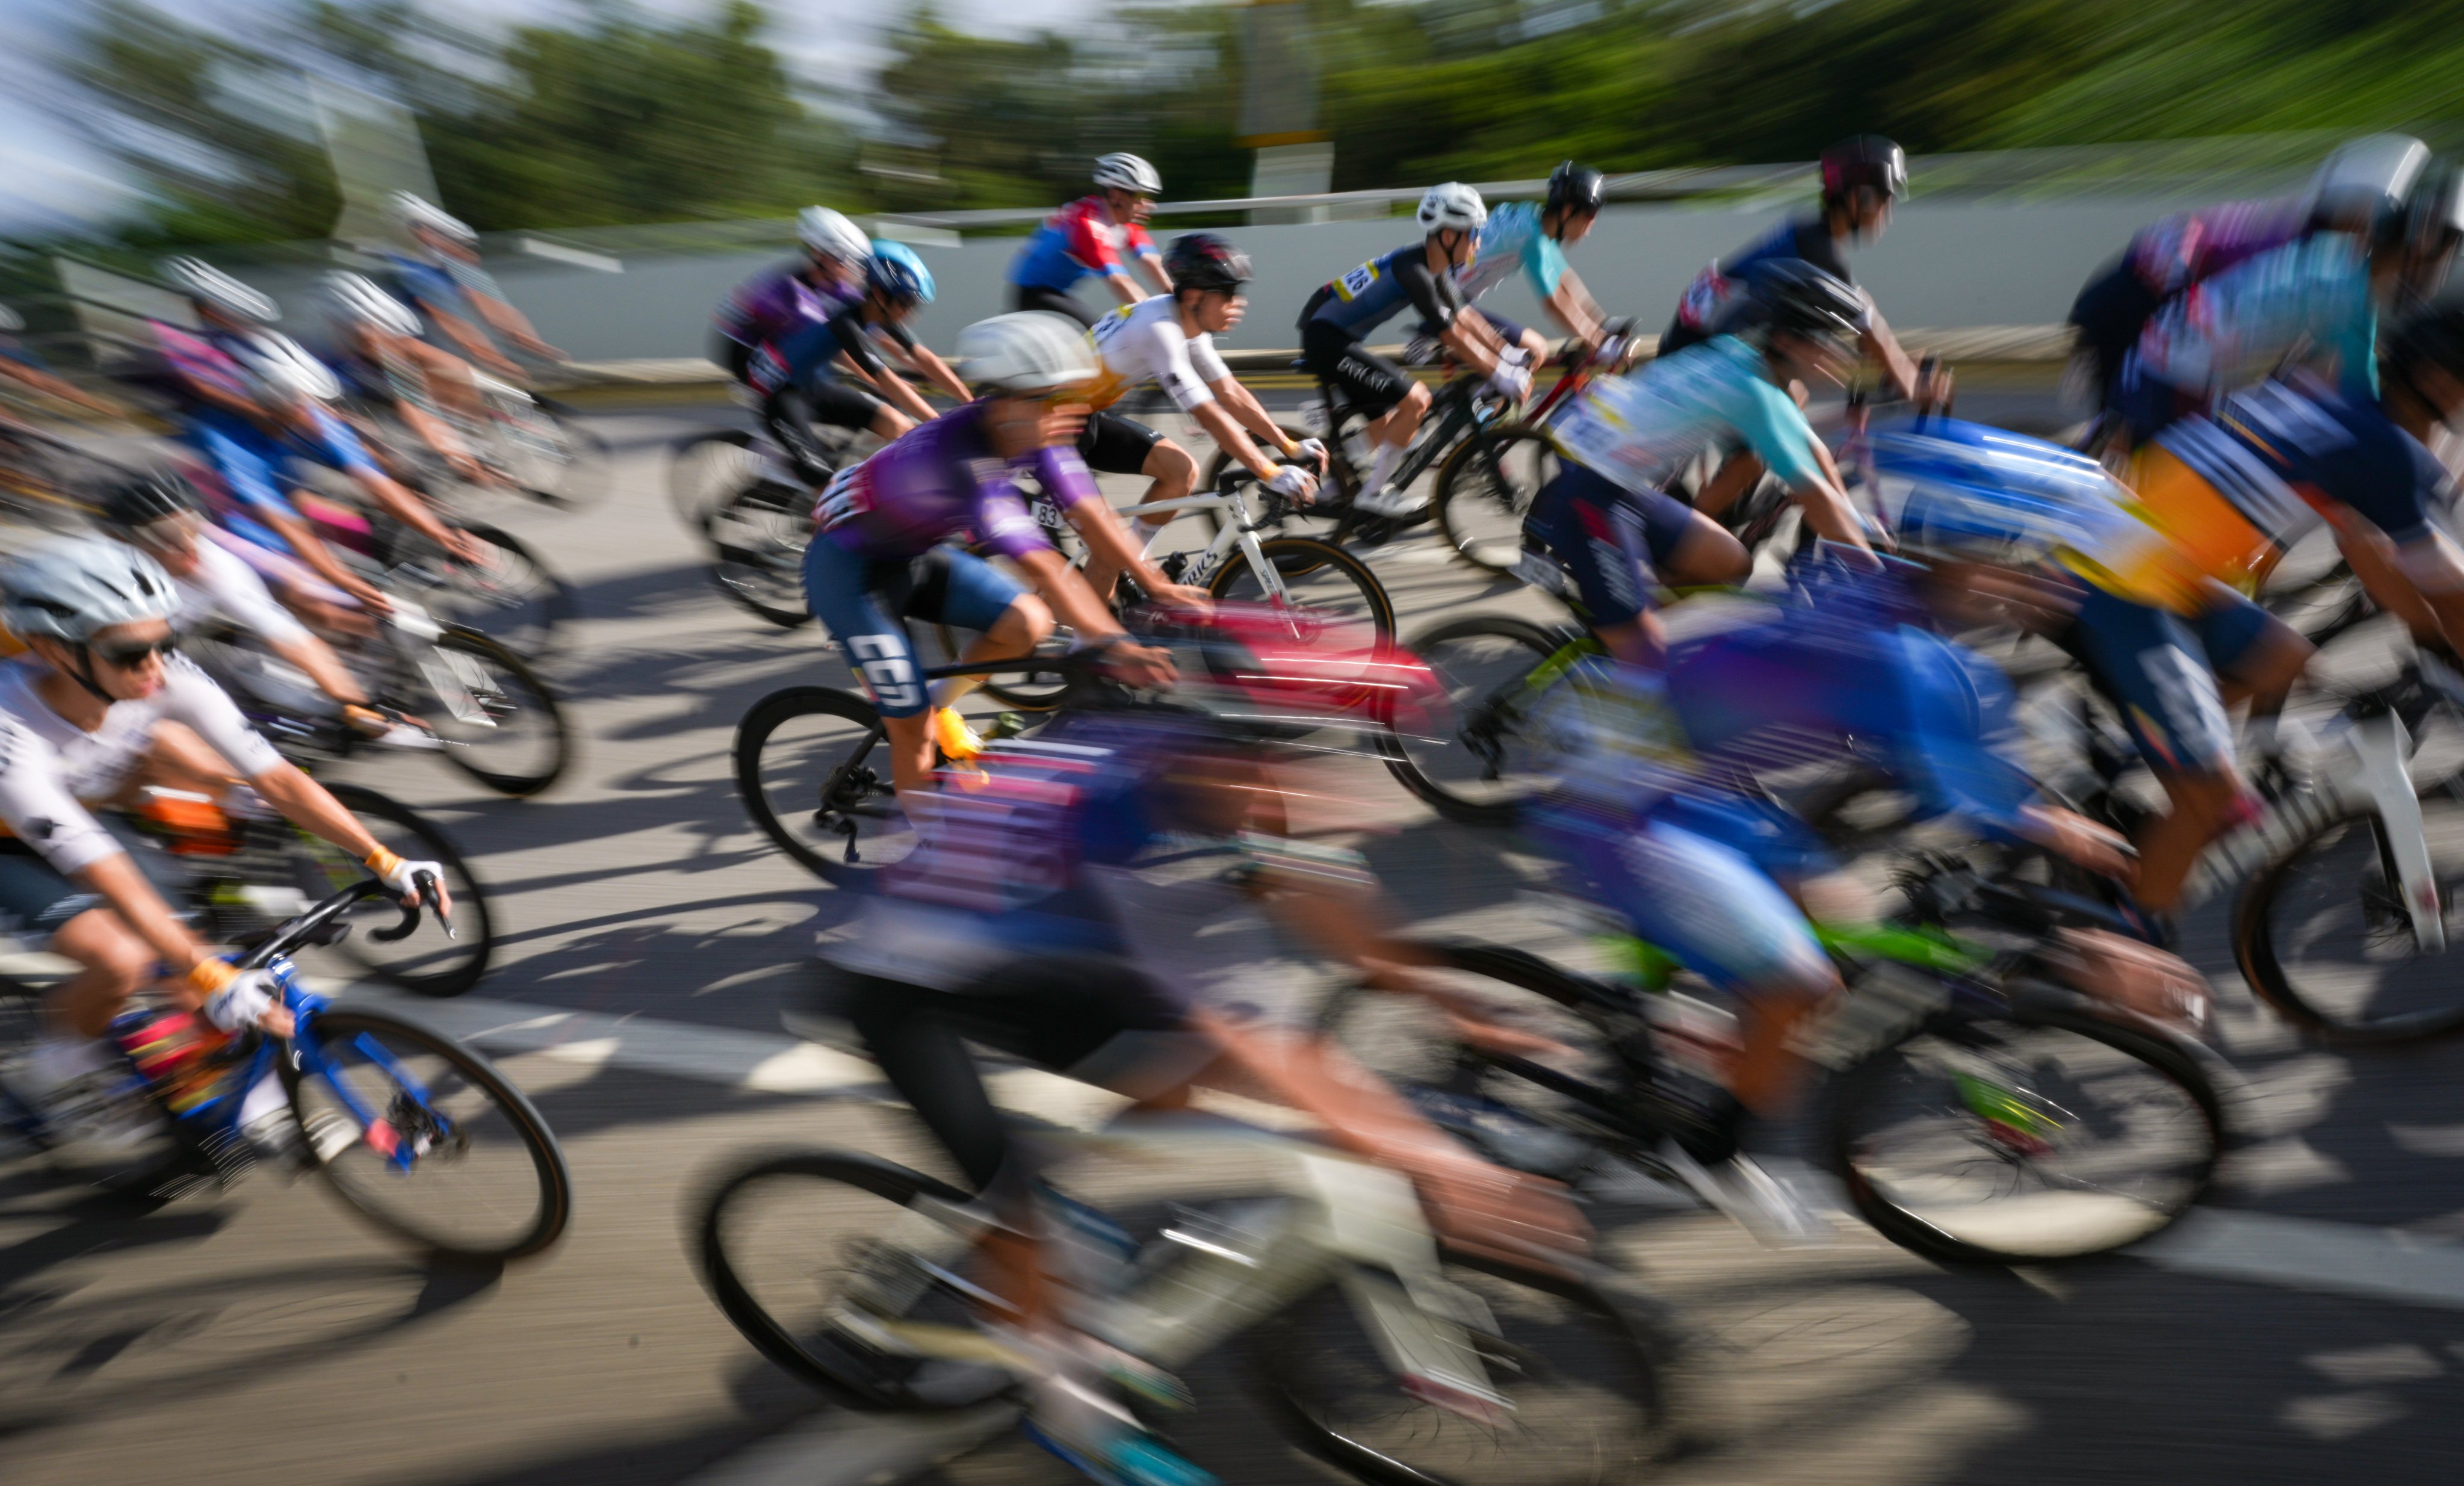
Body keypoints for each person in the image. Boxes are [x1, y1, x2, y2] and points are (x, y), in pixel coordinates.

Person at [796, 695, 1588, 1480]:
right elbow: (1245, 1037)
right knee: (1026, 1212)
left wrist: (1458, 1010)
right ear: (1213, 764)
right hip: (896, 979)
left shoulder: (1209, 778)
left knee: (1177, 1085)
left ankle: (1054, 1203)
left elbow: (1331, 904)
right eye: (1270, 778)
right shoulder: (1121, 840)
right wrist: (1446, 1165)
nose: (1294, 799)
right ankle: (1067, 1410)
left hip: (1022, 954)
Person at [0, 537, 447, 1125]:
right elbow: (106, 872)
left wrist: (383, 859)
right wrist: (209, 975)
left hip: (82, 807)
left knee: (191, 942)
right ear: (54, 652)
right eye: (133, 653)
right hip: (12, 843)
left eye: (165, 642)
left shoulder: (159, 677)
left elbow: (278, 780)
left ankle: (213, 1100)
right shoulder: (12, 730)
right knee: (123, 958)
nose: (156, 666)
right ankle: (56, 1072)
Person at [800, 312, 1210, 793]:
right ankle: (928, 857)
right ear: (1007, 403)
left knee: (1028, 623)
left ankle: (938, 702)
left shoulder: (1038, 433)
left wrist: (1158, 586)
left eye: (1074, 397)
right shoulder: (962, 459)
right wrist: (1111, 643)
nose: (1072, 413)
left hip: (908, 555)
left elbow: (1096, 519)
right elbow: (1045, 566)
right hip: (847, 570)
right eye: (1056, 400)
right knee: (913, 733)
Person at [1529, 261, 1878, 634]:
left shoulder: (1744, 359)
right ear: (1786, 341)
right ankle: (1626, 640)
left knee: (1730, 563)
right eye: (1824, 342)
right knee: (1649, 662)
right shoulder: (1754, 393)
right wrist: (1880, 576)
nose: (1835, 356)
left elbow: (1817, 457)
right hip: (1588, 490)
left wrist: (1858, 528)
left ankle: (1622, 616)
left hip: (1614, 481)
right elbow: (1816, 497)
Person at [147, 257, 474, 616]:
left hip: (274, 442)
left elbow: (375, 479)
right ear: (275, 408)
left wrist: (440, 532)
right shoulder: (231, 444)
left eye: (313, 408)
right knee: (308, 593)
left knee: (368, 481)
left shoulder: (310, 412)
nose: (314, 420)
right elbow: (288, 527)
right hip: (225, 482)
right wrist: (342, 580)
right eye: (302, 412)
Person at [2067, 134, 2427, 415]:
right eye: (2371, 227)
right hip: (2131, 305)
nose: (2369, 241)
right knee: (2139, 429)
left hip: (2132, 298)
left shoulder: (2297, 232)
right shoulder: (2300, 248)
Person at [2115, 159, 2463, 442]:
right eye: (2437, 261)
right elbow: (2361, 391)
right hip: (2176, 379)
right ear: (2416, 252)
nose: (2436, 273)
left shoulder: (2335, 257)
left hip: (2159, 361)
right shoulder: (2346, 297)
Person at [95, 472, 430, 749]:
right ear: (129, 542)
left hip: (158, 647)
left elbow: (293, 640)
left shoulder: (212, 562)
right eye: (166, 535)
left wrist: (363, 707)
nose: (186, 544)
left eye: (191, 526)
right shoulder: (108, 579)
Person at [1076, 232, 1324, 598]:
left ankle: (1132, 564)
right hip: (1050, 427)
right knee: (1108, 551)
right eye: (1228, 294)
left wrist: (1287, 446)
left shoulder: (1189, 326)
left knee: (1181, 471)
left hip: (1085, 418)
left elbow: (1230, 394)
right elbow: (1208, 413)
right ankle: (1090, 641)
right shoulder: (1160, 331)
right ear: (1194, 296)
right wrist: (1268, 471)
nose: (1238, 304)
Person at [1298, 182, 1528, 516]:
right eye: (1474, 233)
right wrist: (1500, 373)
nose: (1478, 242)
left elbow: (1468, 318)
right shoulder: (1414, 270)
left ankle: (1332, 479)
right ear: (1448, 236)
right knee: (1417, 400)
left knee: (1385, 426)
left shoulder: (1434, 268)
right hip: (1325, 337)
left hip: (1335, 335)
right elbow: (1451, 336)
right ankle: (1373, 495)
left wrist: (1508, 356)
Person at [748, 241, 969, 487]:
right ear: (879, 294)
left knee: (901, 426)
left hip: (813, 386)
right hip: (780, 398)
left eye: (914, 305)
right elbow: (889, 381)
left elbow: (923, 356)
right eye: (906, 303)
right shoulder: (846, 323)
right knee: (828, 486)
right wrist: (941, 426)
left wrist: (969, 402)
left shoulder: (878, 313)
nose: (910, 313)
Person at [314, 270, 494, 488]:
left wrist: (466, 440)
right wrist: (452, 452)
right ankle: (411, 481)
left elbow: (450, 370)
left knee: (455, 370)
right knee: (361, 428)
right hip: (348, 390)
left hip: (376, 363)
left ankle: (472, 443)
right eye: (366, 336)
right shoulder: (349, 346)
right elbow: (411, 405)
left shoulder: (393, 334)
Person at [380, 191, 565, 379]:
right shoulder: (419, 274)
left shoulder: (443, 267)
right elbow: (465, 336)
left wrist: (540, 350)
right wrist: (518, 371)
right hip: (422, 367)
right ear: (423, 235)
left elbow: (496, 315)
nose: (474, 257)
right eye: (462, 246)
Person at [1449, 161, 1614, 366]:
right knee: (1534, 350)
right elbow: (1554, 304)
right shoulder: (1530, 236)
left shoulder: (1536, 220)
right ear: (1568, 212)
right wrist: (1599, 341)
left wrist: (1604, 327)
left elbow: (1565, 280)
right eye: (1590, 216)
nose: (1591, 227)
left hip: (1456, 300)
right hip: (1444, 304)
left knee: (1529, 355)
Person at [1006, 155, 1171, 329]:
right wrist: (1159, 323)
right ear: (1115, 195)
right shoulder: (1088, 224)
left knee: (1108, 329)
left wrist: (1186, 307)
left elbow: (1153, 265)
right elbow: (1120, 281)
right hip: (1034, 294)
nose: (1149, 204)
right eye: (1140, 195)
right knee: (1099, 333)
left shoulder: (1126, 221)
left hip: (1059, 292)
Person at [714, 206, 872, 385]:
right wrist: (876, 380)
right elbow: (837, 350)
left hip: (783, 351)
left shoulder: (834, 285)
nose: (848, 268)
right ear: (821, 256)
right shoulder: (792, 294)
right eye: (843, 259)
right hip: (750, 359)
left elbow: (874, 327)